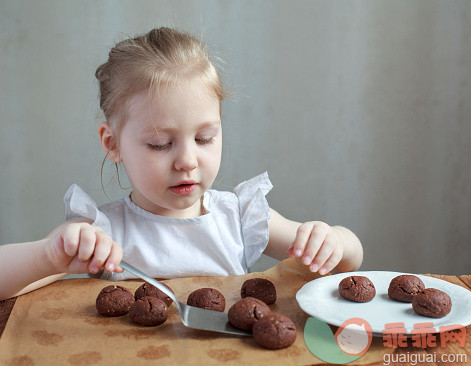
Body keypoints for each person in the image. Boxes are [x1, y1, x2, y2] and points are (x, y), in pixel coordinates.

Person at [0, 27, 363, 301]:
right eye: (160, 144)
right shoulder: (102, 231)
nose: (187, 160)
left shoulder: (239, 218)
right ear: (113, 144)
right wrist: (49, 256)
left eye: (205, 138)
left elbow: (351, 262)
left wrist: (333, 241)